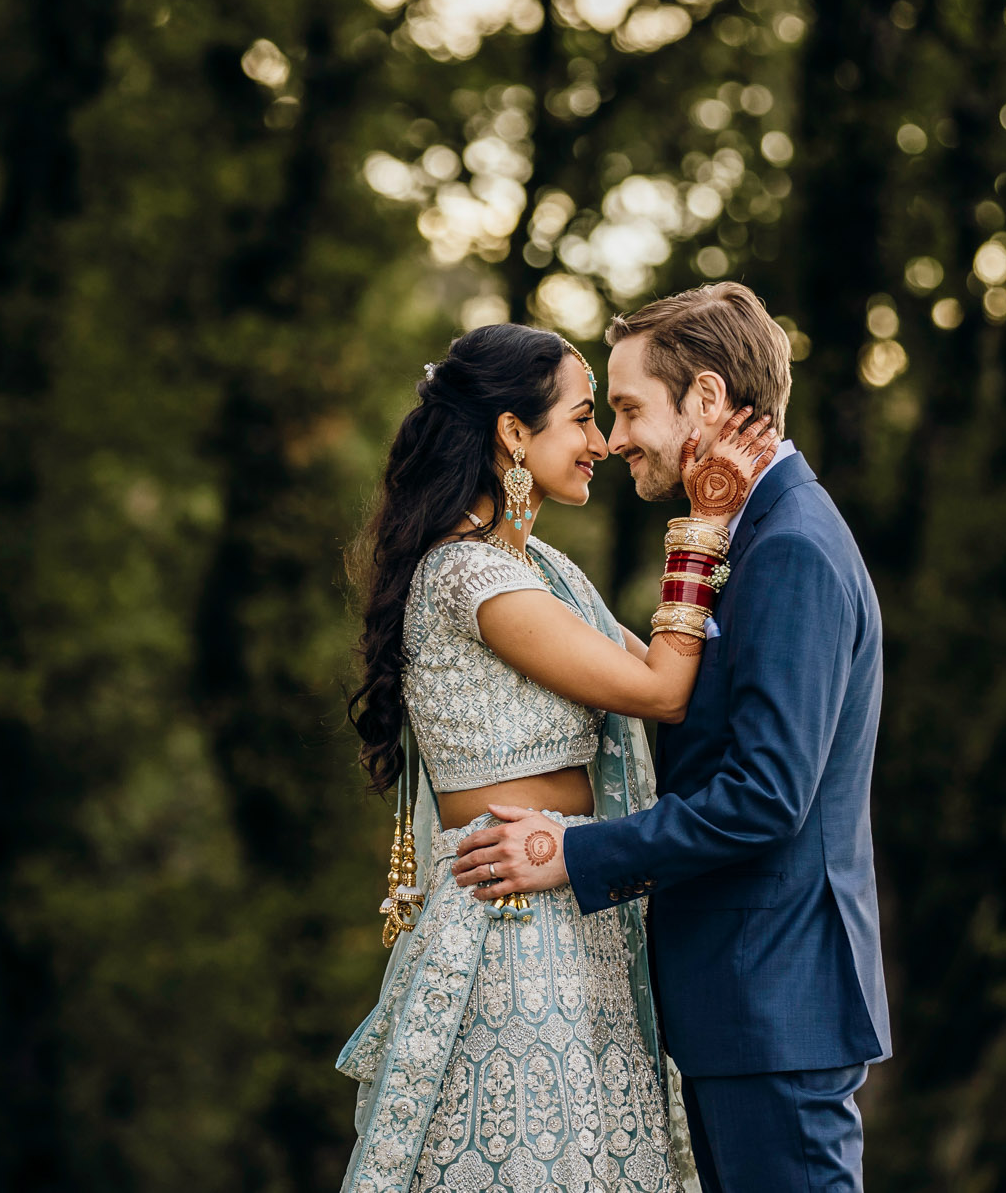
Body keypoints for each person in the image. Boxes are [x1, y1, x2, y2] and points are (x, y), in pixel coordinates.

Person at [453, 283, 891, 1193]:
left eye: (625, 408)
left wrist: (573, 853)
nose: (614, 440)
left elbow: (767, 797)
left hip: (774, 1000)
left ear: (703, 398)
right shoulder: (753, 533)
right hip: (741, 1003)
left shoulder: (792, 549)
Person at [336, 321, 776, 1193]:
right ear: (512, 432)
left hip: (576, 912)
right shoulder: (473, 578)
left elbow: (655, 670)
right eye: (582, 418)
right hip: (511, 928)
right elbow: (660, 692)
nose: (602, 444)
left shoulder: (539, 571)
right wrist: (707, 522)